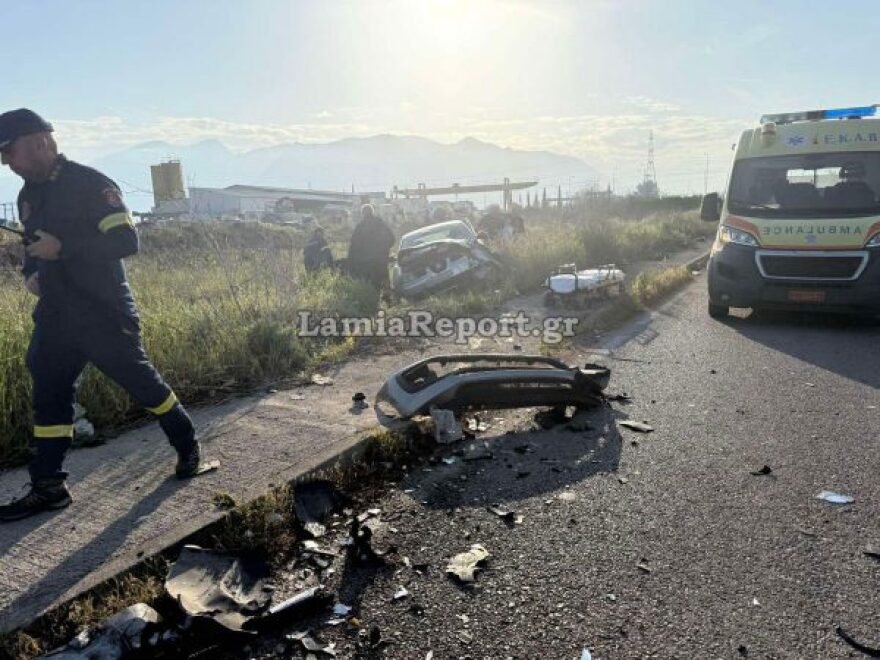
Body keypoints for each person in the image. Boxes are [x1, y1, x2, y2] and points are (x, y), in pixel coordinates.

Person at [0, 109, 213, 523]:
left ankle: (188, 446)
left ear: (40, 143)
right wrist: (31, 275)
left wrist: (63, 249)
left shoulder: (92, 184)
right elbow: (32, 248)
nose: (6, 161)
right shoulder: (28, 196)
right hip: (56, 315)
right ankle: (48, 486)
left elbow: (125, 241)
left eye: (9, 151)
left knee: (144, 386)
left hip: (103, 312)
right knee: (49, 395)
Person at [346, 203, 395, 289]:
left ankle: (374, 294)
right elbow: (391, 238)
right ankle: (387, 294)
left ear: (362, 213)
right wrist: (385, 250)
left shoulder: (360, 226)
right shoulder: (380, 223)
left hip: (366, 261)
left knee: (371, 281)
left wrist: (351, 259)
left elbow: (354, 245)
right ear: (372, 212)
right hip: (381, 258)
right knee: (384, 276)